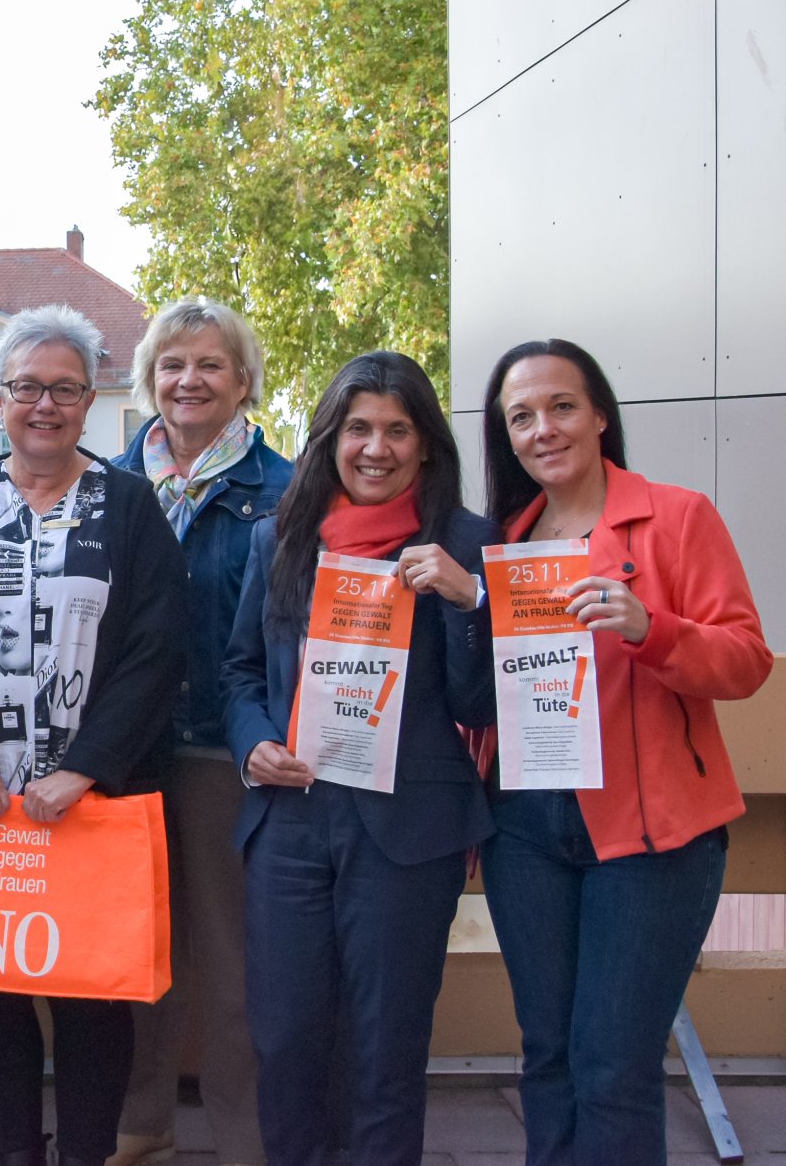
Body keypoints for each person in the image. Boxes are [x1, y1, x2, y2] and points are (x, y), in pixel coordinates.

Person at [0, 305, 188, 1166]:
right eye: (26, 387)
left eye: (63, 388)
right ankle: (16, 1154)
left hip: (88, 802)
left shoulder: (127, 505)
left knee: (93, 998)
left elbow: (157, 653)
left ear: (91, 401)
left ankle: (83, 1155)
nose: (43, 404)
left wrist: (83, 770)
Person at [475, 339, 771, 1165]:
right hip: (527, 826)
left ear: (600, 414)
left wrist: (652, 628)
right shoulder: (503, 540)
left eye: (561, 406)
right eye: (521, 416)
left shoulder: (678, 516)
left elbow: (745, 659)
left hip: (654, 837)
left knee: (612, 1064)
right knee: (549, 1055)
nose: (543, 429)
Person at [221, 351, 497, 1165]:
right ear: (330, 437)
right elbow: (240, 670)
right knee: (286, 1038)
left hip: (407, 831)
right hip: (291, 827)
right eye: (359, 428)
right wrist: (252, 742)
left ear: (426, 444)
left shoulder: (467, 542)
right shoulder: (280, 535)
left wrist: (463, 600)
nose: (376, 447)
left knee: (385, 1051)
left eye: (398, 430)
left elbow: (482, 704)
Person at [110, 298, 289, 1166]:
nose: (190, 380)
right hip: (123, 753)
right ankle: (142, 1121)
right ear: (149, 379)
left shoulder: (284, 492)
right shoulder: (101, 482)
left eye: (211, 365)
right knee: (136, 952)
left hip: (224, 746)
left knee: (227, 961)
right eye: (173, 365)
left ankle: (243, 1136)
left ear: (244, 380)